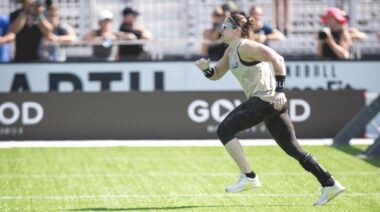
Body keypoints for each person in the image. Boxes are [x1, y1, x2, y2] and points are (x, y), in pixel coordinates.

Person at [195, 14, 345, 206]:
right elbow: (216, 75)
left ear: (237, 30)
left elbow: (278, 59)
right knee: (293, 149)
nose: (221, 29)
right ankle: (329, 183)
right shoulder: (230, 51)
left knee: (224, 130)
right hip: (271, 103)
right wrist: (206, 69)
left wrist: (281, 89)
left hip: (266, 99)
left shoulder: (246, 46)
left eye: (225, 26)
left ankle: (248, 176)